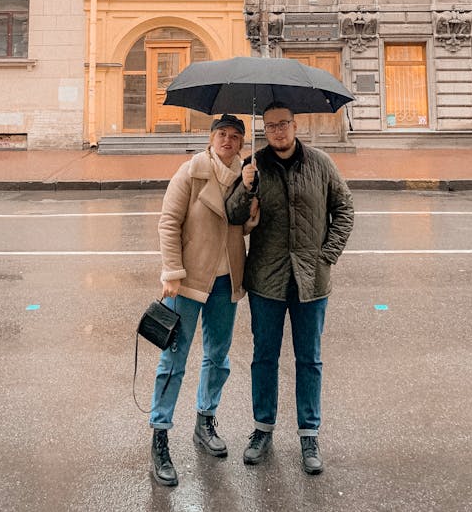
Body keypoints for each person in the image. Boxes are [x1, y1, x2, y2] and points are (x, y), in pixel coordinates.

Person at [225, 101, 354, 476]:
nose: (278, 132)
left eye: (283, 125)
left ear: (295, 126)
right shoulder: (254, 167)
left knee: (309, 359)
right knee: (264, 357)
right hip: (267, 278)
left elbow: (344, 209)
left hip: (311, 281)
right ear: (265, 131)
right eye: (270, 127)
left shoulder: (321, 164)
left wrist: (326, 256)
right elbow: (232, 216)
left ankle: (309, 434)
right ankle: (262, 429)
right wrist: (245, 188)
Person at [149, 113, 249, 488]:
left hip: (226, 282)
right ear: (211, 139)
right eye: (222, 134)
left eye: (235, 136)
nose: (228, 141)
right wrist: (171, 272)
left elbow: (246, 225)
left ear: (241, 143)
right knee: (173, 360)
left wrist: (252, 200)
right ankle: (159, 437)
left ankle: (204, 422)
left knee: (218, 357)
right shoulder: (191, 172)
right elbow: (168, 222)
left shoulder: (246, 177)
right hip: (189, 282)